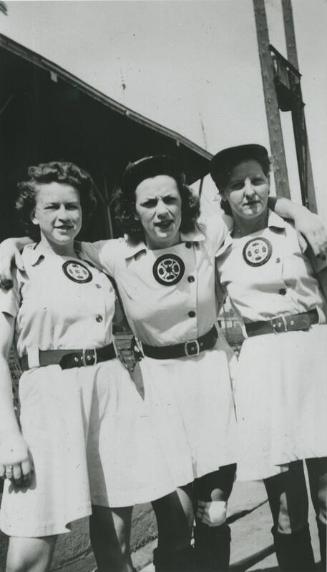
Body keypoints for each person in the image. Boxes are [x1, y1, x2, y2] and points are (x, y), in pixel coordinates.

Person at [1, 154, 326, 572]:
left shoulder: (208, 233)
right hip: (159, 389)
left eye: (170, 200)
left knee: (216, 512)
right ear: (132, 212)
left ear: (184, 203)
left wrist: (294, 209)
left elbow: (250, 203)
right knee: (175, 518)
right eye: (149, 203)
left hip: (212, 379)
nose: (162, 211)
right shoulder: (112, 253)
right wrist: (15, 244)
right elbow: (56, 243)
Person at [0, 161, 176, 572]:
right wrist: (9, 436)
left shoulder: (97, 258)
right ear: (32, 213)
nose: (64, 217)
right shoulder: (16, 263)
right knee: (31, 547)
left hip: (110, 393)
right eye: (52, 208)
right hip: (49, 399)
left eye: (73, 207)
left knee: (116, 541)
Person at [210, 144, 327, 571]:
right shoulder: (217, 246)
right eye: (237, 185)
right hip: (261, 367)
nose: (249, 191)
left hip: (315, 356)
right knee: (284, 505)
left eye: (257, 180)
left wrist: (298, 212)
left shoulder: (303, 231)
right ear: (223, 194)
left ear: (269, 182)